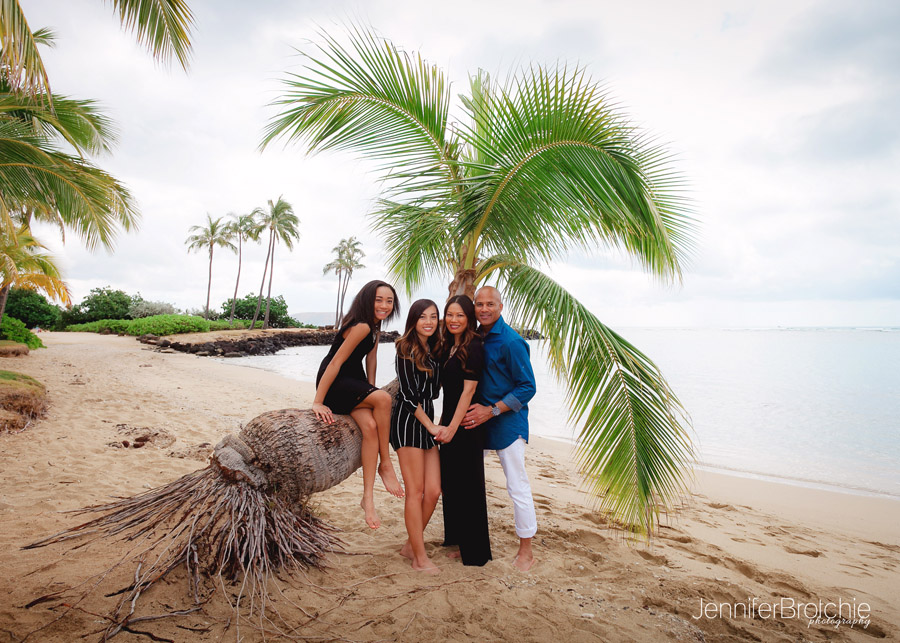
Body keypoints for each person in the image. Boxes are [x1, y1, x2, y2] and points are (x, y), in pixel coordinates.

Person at [313, 280, 404, 530]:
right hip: (336, 382)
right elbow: (334, 363)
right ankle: (386, 463)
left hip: (354, 383)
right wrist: (318, 401)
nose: (384, 305)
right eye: (379, 300)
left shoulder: (375, 326)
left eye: (389, 301)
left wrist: (370, 392)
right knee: (385, 399)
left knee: (372, 427)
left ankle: (368, 498)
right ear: (367, 300)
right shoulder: (362, 326)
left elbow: (371, 359)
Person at [463, 286, 537, 571]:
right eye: (479, 304)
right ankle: (468, 543)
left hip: (506, 422)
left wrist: (493, 410)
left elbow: (527, 386)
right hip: (477, 422)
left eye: (489, 304)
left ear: (501, 306)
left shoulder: (511, 341)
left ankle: (526, 551)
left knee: (517, 486)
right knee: (469, 485)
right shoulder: (474, 336)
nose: (484, 309)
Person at [434, 295, 491, 566]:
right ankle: (457, 540)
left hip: (465, 426)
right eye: (450, 314)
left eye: (460, 315)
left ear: (469, 318)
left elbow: (468, 391)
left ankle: (476, 552)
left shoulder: (474, 346)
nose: (454, 320)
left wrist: (452, 429)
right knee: (452, 484)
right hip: (449, 422)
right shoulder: (449, 346)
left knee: (468, 487)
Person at [390, 299, 443, 574]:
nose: (429, 322)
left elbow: (435, 391)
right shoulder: (405, 348)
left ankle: (412, 544)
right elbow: (409, 397)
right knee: (416, 491)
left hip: (427, 420)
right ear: (413, 320)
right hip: (408, 421)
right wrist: (432, 427)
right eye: (423, 317)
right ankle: (419, 559)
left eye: (434, 317)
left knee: (433, 491)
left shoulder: (435, 349)